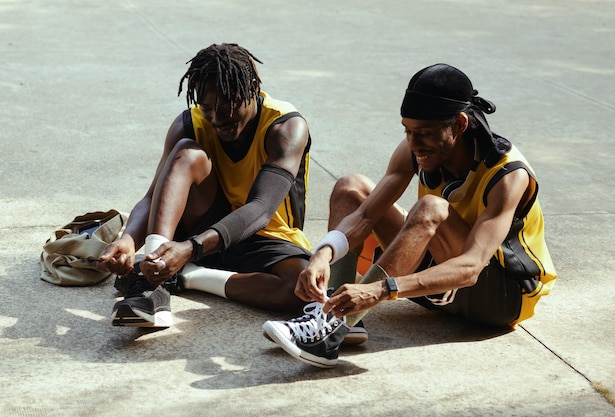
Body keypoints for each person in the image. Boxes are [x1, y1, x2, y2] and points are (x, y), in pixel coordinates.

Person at [262, 63, 557, 368]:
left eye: (424, 133)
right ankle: (338, 312)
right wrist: (322, 254)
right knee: (351, 188)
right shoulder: (416, 149)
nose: (414, 144)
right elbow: (364, 215)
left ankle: (332, 329)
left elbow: (470, 268)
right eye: (407, 130)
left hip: (498, 297)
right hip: (437, 278)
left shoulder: (509, 175)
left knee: (432, 206)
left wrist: (379, 289)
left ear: (459, 123)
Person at [98, 43, 314, 328]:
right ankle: (152, 283)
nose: (218, 118)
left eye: (228, 105)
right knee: (188, 152)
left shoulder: (285, 127)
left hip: (265, 234)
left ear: (251, 88)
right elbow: (153, 197)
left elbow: (261, 209)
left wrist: (190, 249)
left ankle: (184, 275)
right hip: (202, 226)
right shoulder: (189, 124)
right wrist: (128, 240)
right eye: (208, 107)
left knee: (301, 290)